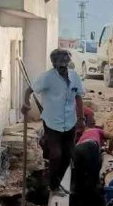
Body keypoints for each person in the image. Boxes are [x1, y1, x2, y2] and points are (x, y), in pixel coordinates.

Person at [22, 49, 84, 195]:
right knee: (56, 154)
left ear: (69, 63)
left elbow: (78, 97)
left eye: (65, 63)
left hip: (70, 122)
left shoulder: (75, 76)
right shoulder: (47, 77)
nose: (63, 67)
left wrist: (81, 118)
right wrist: (26, 103)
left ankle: (57, 181)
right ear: (54, 64)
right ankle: (53, 186)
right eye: (60, 64)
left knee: (68, 155)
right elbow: (29, 90)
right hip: (52, 122)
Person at [73, 124, 113, 201]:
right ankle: (93, 202)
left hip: (77, 149)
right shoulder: (98, 131)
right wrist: (109, 150)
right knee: (93, 176)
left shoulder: (84, 135)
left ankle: (77, 202)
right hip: (91, 146)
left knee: (78, 177)